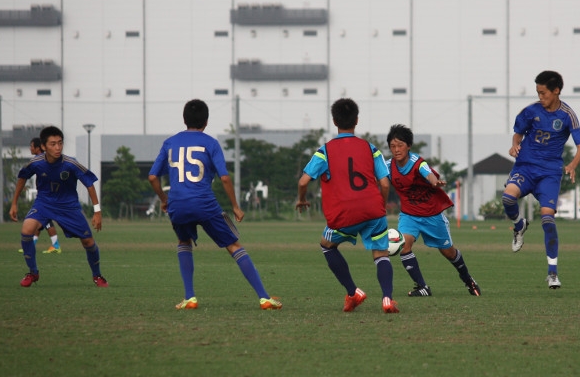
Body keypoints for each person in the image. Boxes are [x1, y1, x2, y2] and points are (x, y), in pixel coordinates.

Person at [148, 99, 281, 311]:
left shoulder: (170, 143)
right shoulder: (210, 143)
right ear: (206, 121)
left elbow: (153, 177)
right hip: (205, 203)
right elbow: (225, 179)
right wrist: (236, 206)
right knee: (234, 245)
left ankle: (190, 297)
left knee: (184, 242)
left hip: (177, 204)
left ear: (184, 119)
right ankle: (264, 298)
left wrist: (165, 201)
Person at [296, 98, 399, 313]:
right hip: (373, 209)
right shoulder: (371, 149)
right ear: (357, 120)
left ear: (334, 121)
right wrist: (379, 203)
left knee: (327, 245)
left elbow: (304, 181)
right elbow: (384, 183)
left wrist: (302, 199)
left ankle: (353, 292)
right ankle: (387, 299)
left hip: (344, 213)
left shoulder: (324, 151)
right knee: (381, 254)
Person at [502, 70, 580, 289]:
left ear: (556, 91)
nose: (540, 97)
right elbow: (518, 132)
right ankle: (519, 225)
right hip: (526, 167)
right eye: (538, 92)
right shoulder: (531, 111)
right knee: (508, 199)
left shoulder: (567, 114)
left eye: (543, 93)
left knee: (548, 219)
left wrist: (572, 165)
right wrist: (515, 144)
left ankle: (552, 273)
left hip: (549, 173)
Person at [386, 124, 481, 297]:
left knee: (449, 252)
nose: (396, 150)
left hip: (432, 216)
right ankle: (422, 287)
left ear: (408, 146)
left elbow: (427, 172)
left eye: (400, 145)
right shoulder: (388, 166)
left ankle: (468, 280)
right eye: (393, 146)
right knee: (404, 246)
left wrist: (433, 181)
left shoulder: (417, 162)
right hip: (409, 216)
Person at [9, 126, 109, 288]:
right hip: (44, 203)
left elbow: (89, 184)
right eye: (53, 144)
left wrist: (97, 211)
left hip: (68, 206)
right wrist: (14, 203)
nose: (58, 147)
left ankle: (97, 276)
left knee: (88, 242)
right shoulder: (36, 163)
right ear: (43, 146)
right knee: (27, 229)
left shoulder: (70, 163)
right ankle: (33, 272)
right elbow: (22, 177)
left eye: (60, 143)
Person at [17, 138, 62, 254]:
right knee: (39, 221)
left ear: (37, 148)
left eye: (31, 146)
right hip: (45, 196)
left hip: (49, 197)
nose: (30, 148)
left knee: (44, 221)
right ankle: (32, 244)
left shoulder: (44, 160)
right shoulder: (39, 160)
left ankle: (56, 245)